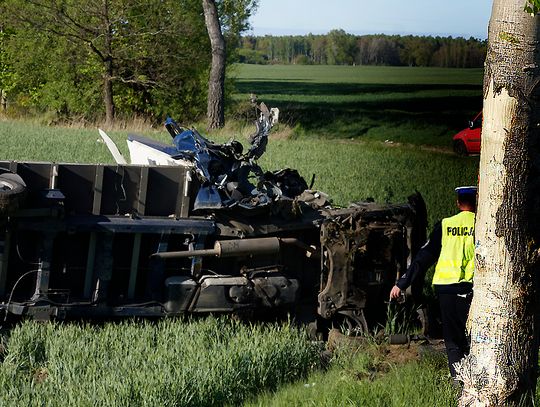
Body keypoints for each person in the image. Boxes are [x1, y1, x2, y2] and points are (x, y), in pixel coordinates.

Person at [389, 186, 476, 379]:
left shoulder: (444, 226)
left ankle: (458, 381)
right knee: (474, 338)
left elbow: (423, 258)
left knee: (452, 340)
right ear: (477, 201)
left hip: (445, 290)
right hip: (471, 290)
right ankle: (476, 381)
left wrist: (402, 283)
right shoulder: (482, 225)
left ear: (457, 203)